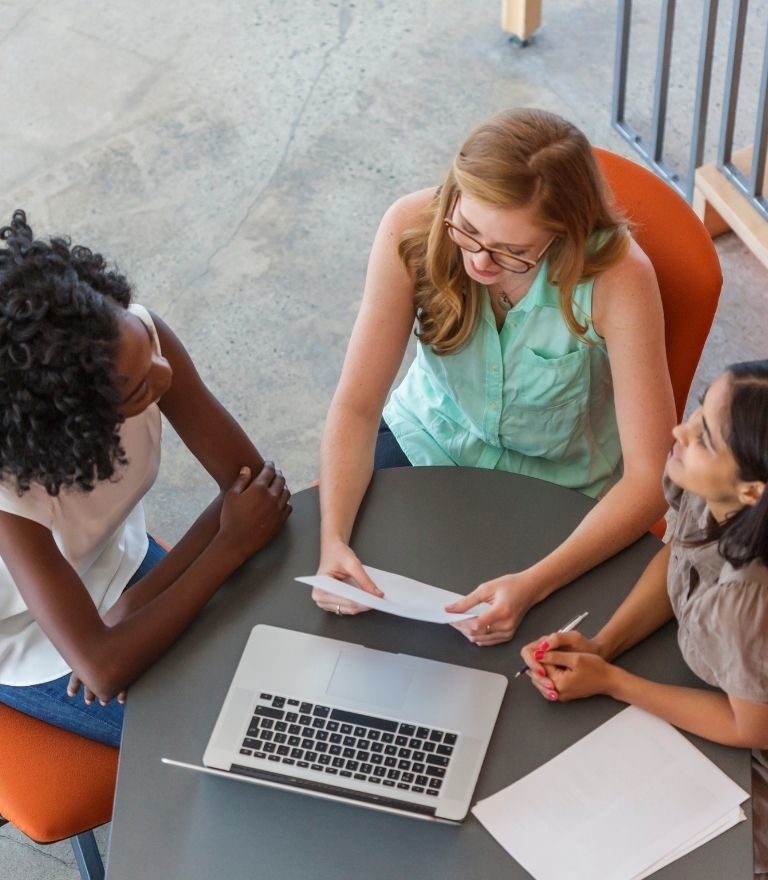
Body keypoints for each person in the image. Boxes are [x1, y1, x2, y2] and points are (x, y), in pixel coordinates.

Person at [312, 108, 675, 643]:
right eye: (468, 230)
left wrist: (534, 584)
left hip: (559, 487)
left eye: (514, 252)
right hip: (427, 439)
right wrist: (333, 541)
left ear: (564, 235)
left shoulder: (619, 279)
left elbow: (651, 477)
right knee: (346, 628)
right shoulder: (412, 226)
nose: (480, 262)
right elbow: (356, 406)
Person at [0, 209, 292, 748]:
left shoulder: (134, 341)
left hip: (117, 568)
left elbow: (251, 488)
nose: (164, 374)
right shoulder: (11, 501)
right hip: (31, 643)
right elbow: (101, 670)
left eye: (149, 349)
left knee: (276, 658)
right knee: (213, 737)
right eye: (137, 390)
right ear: (78, 425)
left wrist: (138, 603)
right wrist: (227, 548)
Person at [520, 361, 768, 878]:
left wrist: (614, 682)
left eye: (704, 437)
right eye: (699, 409)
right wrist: (603, 645)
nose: (680, 431)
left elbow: (748, 726)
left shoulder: (749, 602)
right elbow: (680, 556)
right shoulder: (707, 487)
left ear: (752, 492)